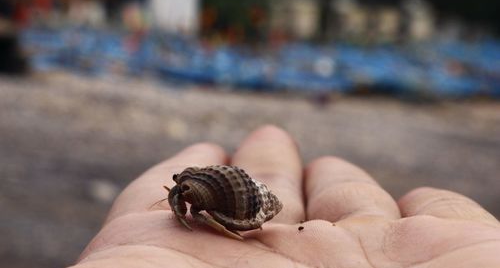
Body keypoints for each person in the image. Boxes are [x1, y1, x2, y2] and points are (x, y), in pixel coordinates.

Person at [71, 125, 500, 267]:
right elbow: (184, 190)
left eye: (182, 195)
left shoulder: (209, 198)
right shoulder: (190, 188)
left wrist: (210, 217)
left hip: (240, 204)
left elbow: (202, 203)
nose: (179, 197)